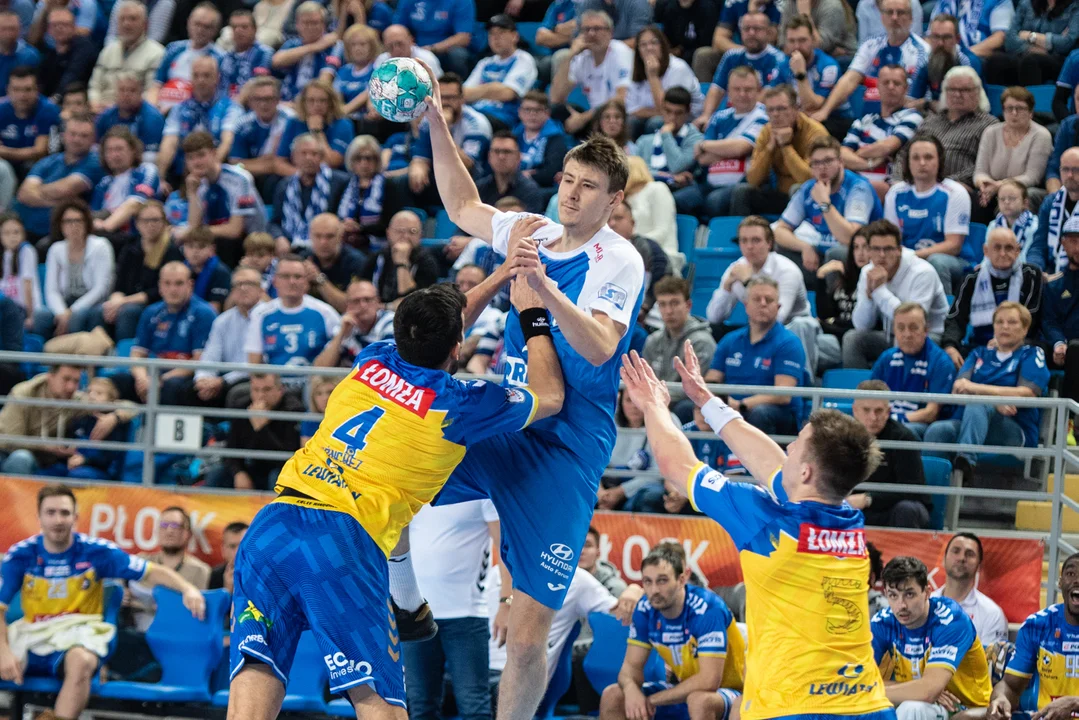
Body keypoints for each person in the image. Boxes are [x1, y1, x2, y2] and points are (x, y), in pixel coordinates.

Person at [420, 60, 645, 720]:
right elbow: (462, 206)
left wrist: (541, 290)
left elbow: (600, 345)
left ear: (612, 202)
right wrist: (436, 120)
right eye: (569, 180)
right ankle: (399, 597)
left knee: (525, 639)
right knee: (404, 456)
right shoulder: (533, 230)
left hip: (566, 450)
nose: (572, 194)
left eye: (588, 187)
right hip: (512, 419)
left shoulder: (618, 259)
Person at [227, 280, 565, 719]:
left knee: (258, 667)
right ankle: (405, 602)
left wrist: (502, 272)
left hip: (273, 526)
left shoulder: (373, 358)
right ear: (458, 346)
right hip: (341, 541)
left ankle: (406, 599)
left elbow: (435, 329)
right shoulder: (460, 403)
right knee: (379, 702)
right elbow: (552, 397)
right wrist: (533, 316)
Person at [618, 341, 894, 720]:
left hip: (794, 708)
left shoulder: (767, 522)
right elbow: (771, 463)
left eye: (797, 444)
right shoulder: (847, 519)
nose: (789, 447)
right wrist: (707, 402)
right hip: (868, 705)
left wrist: (652, 405)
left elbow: (675, 465)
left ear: (806, 472)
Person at [0, 485, 206, 720]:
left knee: (82, 661)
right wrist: (3, 652)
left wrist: (187, 588)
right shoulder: (20, 555)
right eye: (51, 512)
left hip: (78, 635)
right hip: (32, 635)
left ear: (75, 517)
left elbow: (150, 571)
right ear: (39, 517)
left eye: (65, 513)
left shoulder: (96, 552)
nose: (58, 520)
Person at [599, 542, 745, 720]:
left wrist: (651, 701)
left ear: (682, 580)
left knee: (700, 701)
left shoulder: (707, 609)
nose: (654, 590)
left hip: (729, 693)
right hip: (684, 690)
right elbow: (629, 669)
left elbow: (709, 680)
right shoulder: (645, 609)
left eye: (662, 580)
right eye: (648, 582)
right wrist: (631, 691)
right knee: (613, 695)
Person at [923, 302, 1050, 477]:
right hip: (969, 422)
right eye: (999, 322)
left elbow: (1027, 393)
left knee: (979, 404)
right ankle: (930, 488)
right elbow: (959, 387)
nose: (1005, 327)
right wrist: (997, 402)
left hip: (1013, 428)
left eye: (1012, 322)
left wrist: (979, 391)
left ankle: (966, 462)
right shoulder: (979, 353)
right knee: (938, 430)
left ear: (1025, 328)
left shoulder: (1031, 353)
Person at [405, 500, 501, 720]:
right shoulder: (412, 489)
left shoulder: (479, 491)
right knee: (420, 705)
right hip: (415, 613)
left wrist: (507, 600)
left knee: (474, 706)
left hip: (467, 615)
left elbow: (505, 549)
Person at [872, 556, 992, 717]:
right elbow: (857, 683)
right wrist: (917, 689)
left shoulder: (950, 620)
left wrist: (925, 690)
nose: (901, 605)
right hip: (919, 703)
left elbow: (928, 692)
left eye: (909, 594)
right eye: (893, 595)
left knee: (914, 708)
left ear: (927, 592)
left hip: (966, 709)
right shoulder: (883, 622)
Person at [706, 216, 819, 368]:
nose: (749, 246)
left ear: (769, 243)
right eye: (744, 241)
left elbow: (777, 318)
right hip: (756, 328)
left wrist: (748, 282)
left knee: (799, 326)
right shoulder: (736, 269)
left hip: (795, 329)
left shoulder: (787, 270)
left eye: (756, 240)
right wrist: (727, 287)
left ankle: (803, 382)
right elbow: (714, 317)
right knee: (711, 331)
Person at [842, 219, 950, 369]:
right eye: (876, 249)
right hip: (891, 335)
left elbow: (911, 322)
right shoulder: (868, 272)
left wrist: (879, 291)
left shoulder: (923, 272)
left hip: (928, 336)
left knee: (908, 338)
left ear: (899, 250)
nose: (881, 255)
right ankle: (862, 384)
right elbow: (861, 325)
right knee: (852, 339)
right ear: (869, 251)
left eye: (888, 249)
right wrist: (868, 298)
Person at [705, 277, 807, 435]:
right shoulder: (730, 340)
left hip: (778, 414)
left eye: (769, 300)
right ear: (746, 305)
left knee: (760, 413)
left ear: (778, 307)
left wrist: (740, 405)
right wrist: (722, 403)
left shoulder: (789, 343)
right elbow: (712, 380)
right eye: (757, 299)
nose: (763, 304)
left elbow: (783, 395)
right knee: (686, 408)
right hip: (731, 408)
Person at [986, 553, 1079, 720]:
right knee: (966, 717)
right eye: (1071, 574)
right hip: (1043, 717)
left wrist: (1075, 703)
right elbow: (1010, 686)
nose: (1077, 581)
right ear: (1060, 582)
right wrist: (1001, 699)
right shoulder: (1037, 624)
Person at [0, 364, 136, 475]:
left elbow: (132, 407)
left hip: (49, 462)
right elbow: (11, 439)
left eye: (76, 381)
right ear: (50, 377)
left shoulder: (75, 400)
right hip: (9, 454)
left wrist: (115, 417)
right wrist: (46, 446)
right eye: (66, 379)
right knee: (22, 458)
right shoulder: (23, 394)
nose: (71, 387)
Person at [774, 135, 881, 274]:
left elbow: (850, 238)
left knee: (837, 254)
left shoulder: (858, 188)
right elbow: (780, 230)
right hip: (819, 253)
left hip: (855, 254)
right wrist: (804, 247)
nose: (822, 168)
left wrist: (824, 203)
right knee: (780, 247)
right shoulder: (809, 188)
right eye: (816, 163)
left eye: (828, 161)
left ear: (841, 162)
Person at [812, 0, 930, 123]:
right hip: (867, 119)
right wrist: (824, 111)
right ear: (882, 17)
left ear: (911, 18)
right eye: (889, 12)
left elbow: (914, 97)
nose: (894, 18)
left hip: (904, 119)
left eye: (900, 13)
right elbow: (850, 79)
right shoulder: (870, 45)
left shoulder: (922, 52)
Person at [942, 226, 1043, 368]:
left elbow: (1030, 319)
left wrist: (1005, 342)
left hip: (1020, 344)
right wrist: (950, 346)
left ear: (1017, 250)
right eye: (997, 248)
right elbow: (956, 319)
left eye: (1008, 248)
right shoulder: (971, 279)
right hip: (980, 346)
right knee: (948, 359)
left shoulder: (1031, 275)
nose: (1003, 253)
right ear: (986, 251)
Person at [883, 133, 972, 295]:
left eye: (928, 157)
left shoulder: (955, 192)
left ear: (940, 161)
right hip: (907, 258)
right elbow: (891, 239)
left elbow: (953, 245)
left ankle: (944, 310)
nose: (922, 163)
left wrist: (911, 257)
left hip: (952, 261)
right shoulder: (896, 193)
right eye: (916, 158)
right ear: (907, 163)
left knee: (936, 261)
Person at [680, 65, 767, 217]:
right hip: (709, 183)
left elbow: (741, 148)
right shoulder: (719, 117)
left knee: (714, 202)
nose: (742, 94)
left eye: (748, 89)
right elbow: (703, 158)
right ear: (728, 91)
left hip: (741, 185)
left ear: (758, 90)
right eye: (737, 89)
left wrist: (704, 145)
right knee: (678, 200)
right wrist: (729, 150)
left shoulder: (763, 116)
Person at [732, 84, 829, 217]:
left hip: (807, 195)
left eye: (781, 109)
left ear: (796, 109)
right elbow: (753, 180)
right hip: (779, 195)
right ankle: (745, 230)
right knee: (742, 192)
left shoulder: (816, 133)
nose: (775, 114)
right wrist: (770, 148)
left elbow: (808, 179)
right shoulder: (767, 131)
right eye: (770, 110)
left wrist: (786, 146)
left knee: (798, 190)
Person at [93, 200, 183, 340]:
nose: (150, 225)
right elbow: (120, 283)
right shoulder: (130, 247)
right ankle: (100, 349)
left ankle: (125, 351)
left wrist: (123, 301)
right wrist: (116, 300)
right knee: (100, 311)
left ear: (164, 222)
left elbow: (158, 292)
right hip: (126, 300)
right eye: (145, 220)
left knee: (128, 312)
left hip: (155, 304)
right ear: (137, 223)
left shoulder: (171, 250)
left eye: (155, 220)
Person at [130, 261, 216, 406]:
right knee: (117, 382)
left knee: (171, 386)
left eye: (179, 283)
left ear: (190, 285)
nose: (173, 289)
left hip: (184, 375)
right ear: (160, 286)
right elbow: (137, 354)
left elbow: (199, 360)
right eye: (167, 283)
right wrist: (142, 378)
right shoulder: (151, 312)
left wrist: (159, 380)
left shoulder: (204, 313)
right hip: (155, 372)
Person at [850, 379, 931, 529]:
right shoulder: (843, 437)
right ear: (855, 410)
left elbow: (912, 490)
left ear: (888, 412)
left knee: (907, 509)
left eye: (879, 411)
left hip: (893, 509)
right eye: (866, 410)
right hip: (854, 509)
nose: (873, 417)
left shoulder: (903, 437)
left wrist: (868, 498)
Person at [869, 302, 957, 437]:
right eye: (901, 328)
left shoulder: (941, 362)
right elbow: (869, 399)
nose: (907, 334)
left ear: (926, 330)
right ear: (894, 330)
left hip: (922, 425)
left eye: (913, 328)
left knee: (901, 431)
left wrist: (893, 421)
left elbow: (930, 413)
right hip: (887, 420)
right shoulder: (886, 358)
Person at [12, 112, 101, 242]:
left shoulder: (95, 163)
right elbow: (23, 193)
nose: (77, 139)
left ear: (93, 139)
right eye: (73, 134)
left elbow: (64, 189)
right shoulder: (48, 161)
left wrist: (36, 191)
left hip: (56, 235)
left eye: (84, 135)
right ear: (63, 135)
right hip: (20, 230)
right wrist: (57, 203)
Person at [33, 199, 114, 339]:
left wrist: (71, 311)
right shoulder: (56, 249)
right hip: (65, 302)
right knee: (41, 315)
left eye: (78, 220)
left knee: (78, 316)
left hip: (93, 303)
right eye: (68, 221)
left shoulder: (101, 246)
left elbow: (100, 289)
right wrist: (61, 313)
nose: (74, 225)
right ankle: (45, 351)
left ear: (86, 223)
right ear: (60, 225)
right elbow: (52, 290)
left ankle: (72, 351)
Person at [183, 131, 265, 268]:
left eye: (201, 155)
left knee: (223, 244)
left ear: (214, 153)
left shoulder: (239, 178)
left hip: (250, 240)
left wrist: (198, 231)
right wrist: (192, 194)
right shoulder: (197, 183)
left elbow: (235, 230)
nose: (196, 162)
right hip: (217, 239)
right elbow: (194, 227)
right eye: (191, 158)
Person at [840, 63, 923, 199]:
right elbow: (842, 154)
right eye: (886, 82)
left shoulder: (912, 117)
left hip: (889, 187)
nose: (891, 87)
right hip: (857, 182)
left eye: (896, 83)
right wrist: (869, 164)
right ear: (877, 86)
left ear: (906, 88)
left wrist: (857, 153)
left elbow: (887, 147)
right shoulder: (864, 120)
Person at [208, 372, 304, 490]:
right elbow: (231, 448)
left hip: (278, 469)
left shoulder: (293, 410)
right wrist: (239, 472)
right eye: (256, 390)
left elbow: (286, 458)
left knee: (277, 476)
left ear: (280, 390)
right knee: (217, 473)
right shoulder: (242, 407)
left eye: (267, 389)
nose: (261, 395)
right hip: (250, 466)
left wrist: (261, 428)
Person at [973, 86, 1051, 224]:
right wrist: (984, 185)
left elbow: (1032, 177)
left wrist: (999, 186)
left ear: (1031, 112)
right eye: (1009, 108)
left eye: (1020, 108)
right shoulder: (990, 132)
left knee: (1010, 199)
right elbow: (980, 171)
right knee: (975, 198)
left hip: (1023, 189)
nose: (1014, 113)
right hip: (992, 188)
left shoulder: (1041, 135)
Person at [156, 55, 242, 182]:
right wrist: (160, 178)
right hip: (183, 172)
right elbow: (169, 143)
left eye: (206, 75)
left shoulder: (230, 108)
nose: (201, 80)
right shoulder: (179, 109)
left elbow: (227, 142)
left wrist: (208, 172)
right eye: (196, 75)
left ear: (217, 78)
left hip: (216, 174)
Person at [127, 506, 212, 632]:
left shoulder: (200, 570)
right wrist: (121, 594)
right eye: (164, 525)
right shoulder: (142, 561)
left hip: (177, 632)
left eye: (175, 526)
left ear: (187, 533)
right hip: (135, 629)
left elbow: (199, 611)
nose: (169, 531)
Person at [549, 10, 633, 136]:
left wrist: (583, 118)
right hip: (596, 116)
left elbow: (621, 98)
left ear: (610, 32)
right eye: (586, 29)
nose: (591, 34)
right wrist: (570, 55)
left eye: (597, 29)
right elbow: (556, 98)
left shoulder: (620, 52)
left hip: (621, 115)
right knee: (556, 110)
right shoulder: (583, 57)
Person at [697, 12, 790, 125]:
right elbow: (716, 89)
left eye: (757, 29)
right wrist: (706, 115)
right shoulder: (731, 56)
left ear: (768, 32)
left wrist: (739, 119)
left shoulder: (778, 59)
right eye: (746, 29)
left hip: (761, 118)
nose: (751, 33)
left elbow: (767, 95)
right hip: (731, 115)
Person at [194, 264, 263, 408]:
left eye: (250, 284)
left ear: (261, 290)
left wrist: (222, 381)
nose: (243, 288)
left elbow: (257, 364)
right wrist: (202, 379)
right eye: (238, 284)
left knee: (236, 392)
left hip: (255, 378)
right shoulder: (222, 321)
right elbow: (210, 357)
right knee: (189, 390)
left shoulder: (269, 318)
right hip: (223, 380)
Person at [642, 276, 715, 409]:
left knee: (684, 407)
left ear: (688, 305)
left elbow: (695, 390)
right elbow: (646, 380)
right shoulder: (652, 341)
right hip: (657, 405)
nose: (669, 311)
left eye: (674, 303)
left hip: (683, 407)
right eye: (662, 304)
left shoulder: (701, 342)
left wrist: (656, 403)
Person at [270, 134, 349, 253]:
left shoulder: (340, 181)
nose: (309, 158)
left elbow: (343, 218)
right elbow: (275, 222)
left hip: (326, 245)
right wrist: (279, 237)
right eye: (303, 153)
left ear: (321, 157)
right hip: (290, 245)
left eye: (314, 153)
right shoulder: (284, 185)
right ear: (293, 157)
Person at [930, 533, 1009, 646]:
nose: (961, 558)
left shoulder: (992, 614)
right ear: (943, 559)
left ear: (979, 565)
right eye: (956, 551)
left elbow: (989, 657)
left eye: (970, 554)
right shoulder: (925, 604)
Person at [463, 15, 537, 131]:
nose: (496, 38)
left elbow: (507, 93)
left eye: (501, 32)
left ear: (515, 36)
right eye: (491, 34)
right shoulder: (485, 63)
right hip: (476, 113)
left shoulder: (523, 59)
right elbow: (463, 93)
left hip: (503, 117)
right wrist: (493, 88)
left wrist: (478, 92)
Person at [88, 1, 164, 111]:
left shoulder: (157, 53)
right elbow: (94, 86)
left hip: (134, 112)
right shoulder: (108, 51)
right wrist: (95, 103)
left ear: (145, 24)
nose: (126, 24)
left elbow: (151, 92)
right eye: (122, 19)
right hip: (100, 110)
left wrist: (117, 108)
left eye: (133, 19)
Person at [148, 3, 224, 111]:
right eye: (197, 24)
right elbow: (157, 85)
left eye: (206, 27)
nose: (200, 30)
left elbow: (217, 95)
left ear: (215, 30)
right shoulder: (174, 49)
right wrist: (153, 110)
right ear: (188, 23)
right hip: (162, 107)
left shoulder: (220, 58)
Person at [985, 0, 1079, 86]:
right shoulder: (1026, 3)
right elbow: (1010, 40)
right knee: (996, 60)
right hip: (1025, 53)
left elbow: (1066, 43)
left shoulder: (1075, 7)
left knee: (1031, 61)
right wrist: (1037, 46)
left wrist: (1030, 36)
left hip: (1060, 60)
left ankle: (1032, 98)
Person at [91, 126, 160, 237]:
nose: (115, 155)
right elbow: (95, 215)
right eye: (109, 150)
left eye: (119, 149)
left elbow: (135, 204)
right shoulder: (103, 183)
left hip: (135, 237)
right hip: (107, 238)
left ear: (133, 150)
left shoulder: (146, 170)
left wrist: (105, 227)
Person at [626, 25, 704, 124]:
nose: (649, 48)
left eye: (654, 42)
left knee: (656, 122)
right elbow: (631, 109)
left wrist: (653, 77)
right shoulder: (637, 69)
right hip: (653, 117)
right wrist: (655, 112)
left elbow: (671, 111)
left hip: (687, 122)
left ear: (662, 46)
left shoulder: (678, 68)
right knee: (630, 122)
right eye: (643, 45)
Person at [360, 210, 441, 304]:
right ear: (388, 233)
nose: (405, 236)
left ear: (420, 236)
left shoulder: (427, 262)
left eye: (413, 231)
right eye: (400, 231)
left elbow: (415, 303)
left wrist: (402, 263)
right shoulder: (377, 258)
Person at [1038, 217, 1079, 401]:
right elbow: (1049, 320)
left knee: (1075, 349)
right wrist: (1058, 343)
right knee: (1032, 348)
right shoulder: (1054, 284)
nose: (1078, 248)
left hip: (1075, 348)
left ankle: (1073, 415)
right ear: (1063, 244)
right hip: (1062, 347)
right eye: (1073, 241)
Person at [274, 79, 353, 173]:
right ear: (304, 103)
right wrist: (302, 176)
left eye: (322, 101)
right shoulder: (294, 122)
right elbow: (279, 162)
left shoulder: (342, 124)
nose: (317, 105)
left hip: (332, 176)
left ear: (331, 103)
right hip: (297, 174)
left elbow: (333, 162)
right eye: (311, 100)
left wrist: (317, 132)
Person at [633, 87, 702, 193]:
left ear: (688, 112)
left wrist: (666, 134)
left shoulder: (696, 139)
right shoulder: (644, 141)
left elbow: (677, 166)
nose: (672, 117)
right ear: (662, 109)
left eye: (678, 113)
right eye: (668, 111)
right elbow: (635, 172)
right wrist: (669, 177)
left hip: (679, 190)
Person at [270, 2, 341, 103]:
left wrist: (298, 105)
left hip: (314, 103)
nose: (310, 27)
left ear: (324, 24)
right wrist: (315, 47)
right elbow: (276, 61)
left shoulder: (334, 46)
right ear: (297, 25)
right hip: (287, 100)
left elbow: (324, 82)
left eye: (315, 23)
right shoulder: (293, 43)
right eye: (305, 23)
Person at [908, 14, 980, 112]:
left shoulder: (968, 63)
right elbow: (912, 102)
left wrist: (928, 104)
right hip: (936, 117)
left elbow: (971, 106)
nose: (940, 43)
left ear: (957, 39)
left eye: (946, 37)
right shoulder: (925, 62)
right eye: (936, 37)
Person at [0, 66, 60, 182]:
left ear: (37, 90)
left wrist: (4, 151)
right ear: (8, 90)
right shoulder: (1, 109)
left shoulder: (48, 110)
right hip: (6, 166)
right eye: (16, 89)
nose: (22, 95)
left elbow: (39, 151)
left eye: (27, 89)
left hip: (37, 169)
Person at [783, 14, 844, 123]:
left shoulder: (829, 66)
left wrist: (800, 74)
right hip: (798, 119)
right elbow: (772, 98)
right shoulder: (783, 63)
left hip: (832, 121)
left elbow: (812, 105)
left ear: (812, 40)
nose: (796, 46)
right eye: (791, 41)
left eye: (802, 40)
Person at [227, 76, 291, 181]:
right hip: (251, 179)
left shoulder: (290, 121)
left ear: (278, 99)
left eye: (268, 99)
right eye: (258, 99)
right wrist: (270, 166)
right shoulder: (242, 125)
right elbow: (236, 165)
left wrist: (271, 165)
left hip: (284, 178)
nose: (263, 104)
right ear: (250, 101)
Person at [94, 73, 166, 165]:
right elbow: (97, 147)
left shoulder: (153, 118)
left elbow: (151, 156)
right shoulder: (106, 116)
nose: (126, 95)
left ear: (141, 93)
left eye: (132, 90)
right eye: (122, 90)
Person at [301, 214, 365, 313]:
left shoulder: (356, 262)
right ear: (310, 236)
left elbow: (352, 307)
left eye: (330, 236)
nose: (323, 242)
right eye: (318, 236)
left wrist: (319, 279)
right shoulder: (302, 260)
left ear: (341, 236)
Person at [1029, 147, 1079, 274]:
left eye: (1076, 170)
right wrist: (1036, 271)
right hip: (1052, 272)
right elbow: (1039, 245)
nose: (1070, 175)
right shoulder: (1050, 202)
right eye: (1065, 169)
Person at [391, 0, 473, 77]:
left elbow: (463, 37)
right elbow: (397, 28)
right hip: (415, 47)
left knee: (458, 55)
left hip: (445, 50)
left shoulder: (461, 1)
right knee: (395, 47)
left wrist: (432, 48)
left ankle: (457, 84)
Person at [34, 7, 97, 101]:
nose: (59, 28)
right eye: (54, 25)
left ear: (74, 27)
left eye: (64, 24)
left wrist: (55, 98)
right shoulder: (50, 54)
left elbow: (73, 75)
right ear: (48, 30)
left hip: (79, 100)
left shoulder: (84, 47)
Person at [477, 130, 545, 213]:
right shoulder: (480, 188)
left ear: (518, 157)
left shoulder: (530, 191)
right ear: (489, 156)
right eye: (496, 151)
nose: (501, 156)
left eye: (507, 152)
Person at [514, 91, 569, 190]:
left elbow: (550, 173)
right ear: (519, 112)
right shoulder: (514, 134)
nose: (532, 114)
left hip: (541, 189)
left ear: (547, 113)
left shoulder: (556, 138)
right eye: (527, 109)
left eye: (537, 110)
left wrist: (527, 176)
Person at [219, 10, 272, 99]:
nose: (238, 31)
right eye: (234, 27)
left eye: (244, 27)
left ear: (255, 29)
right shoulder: (224, 57)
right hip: (224, 102)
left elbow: (258, 85)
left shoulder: (264, 53)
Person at [335, 24, 379, 122]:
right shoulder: (344, 70)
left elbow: (370, 92)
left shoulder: (377, 69)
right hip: (345, 120)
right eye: (353, 45)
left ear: (372, 46)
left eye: (362, 44)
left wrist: (344, 110)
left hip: (367, 122)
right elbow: (336, 96)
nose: (357, 48)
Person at [987, 179, 1038, 263]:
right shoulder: (993, 225)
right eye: (1002, 199)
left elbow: (1027, 258)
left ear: (1025, 203)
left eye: (1012, 198)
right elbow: (988, 256)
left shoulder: (1033, 226)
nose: (1006, 202)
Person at [182, 227, 230, 311]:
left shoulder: (220, 272)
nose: (195, 251)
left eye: (201, 247)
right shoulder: (181, 270)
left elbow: (214, 309)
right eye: (190, 246)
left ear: (212, 249)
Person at [0, 213, 37, 320]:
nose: (12, 237)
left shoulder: (26, 251)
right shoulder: (4, 254)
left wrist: (29, 316)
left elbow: (27, 284)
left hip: (22, 308)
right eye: (6, 233)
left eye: (16, 232)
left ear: (23, 233)